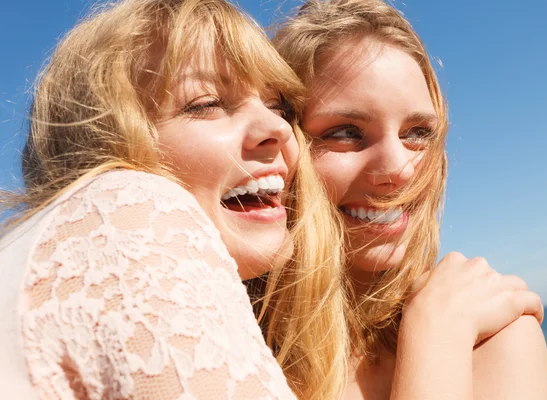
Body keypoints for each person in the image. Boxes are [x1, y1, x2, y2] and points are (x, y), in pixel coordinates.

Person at [0, 0, 347, 398]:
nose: (279, 130)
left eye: (279, 107)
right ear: (104, 138)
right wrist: (428, 328)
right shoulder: (129, 204)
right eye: (207, 104)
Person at [273, 0, 547, 398]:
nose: (398, 169)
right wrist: (436, 339)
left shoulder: (493, 341)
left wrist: (439, 329)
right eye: (345, 131)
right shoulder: (220, 343)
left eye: (418, 132)